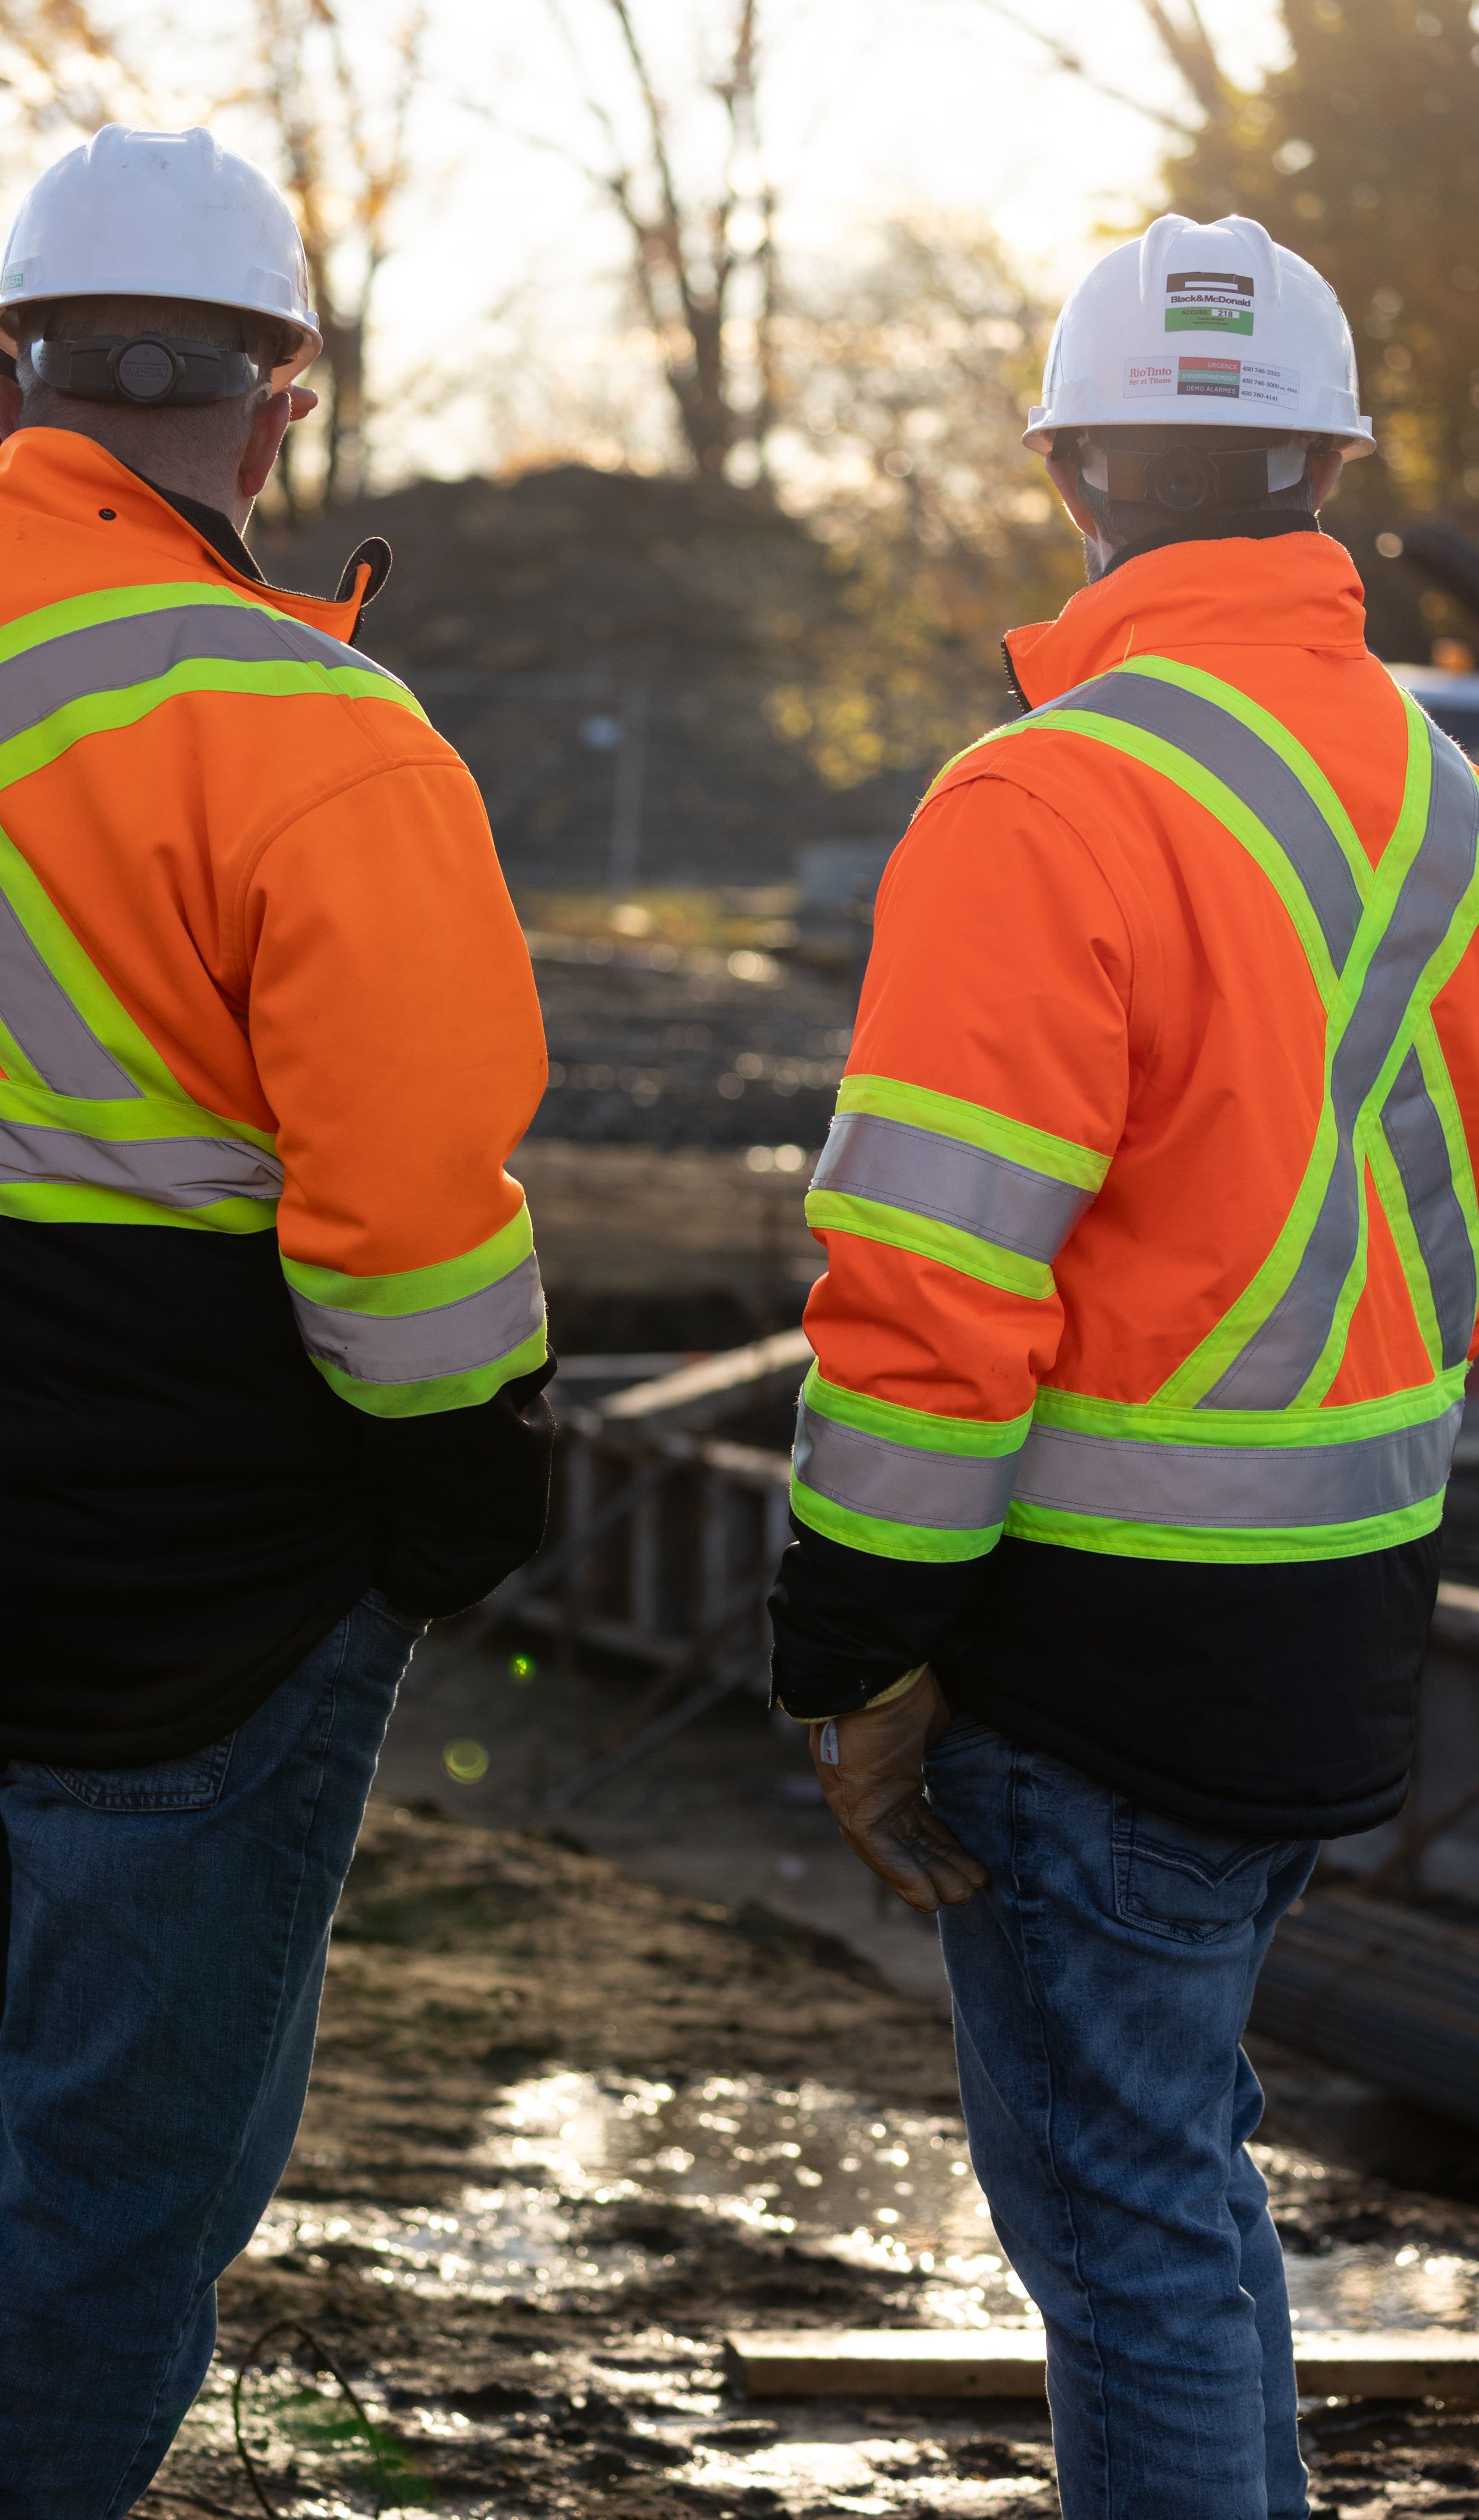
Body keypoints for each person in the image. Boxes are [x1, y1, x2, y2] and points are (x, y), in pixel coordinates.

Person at [0, 124, 554, 2515]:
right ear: (284, 406)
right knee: (110, 2212)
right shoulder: (331, 743)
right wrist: (459, 1508)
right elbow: (415, 1238)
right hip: (192, 1621)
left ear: (0, 368)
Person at [769, 211, 1479, 2520]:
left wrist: (856, 1655)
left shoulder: (1045, 799)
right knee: (1183, 2193)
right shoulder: (1449, 809)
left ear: (1075, 465)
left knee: (1133, 2234)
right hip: (1339, 1626)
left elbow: (930, 1299)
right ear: (1329, 473)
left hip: (1091, 1657)